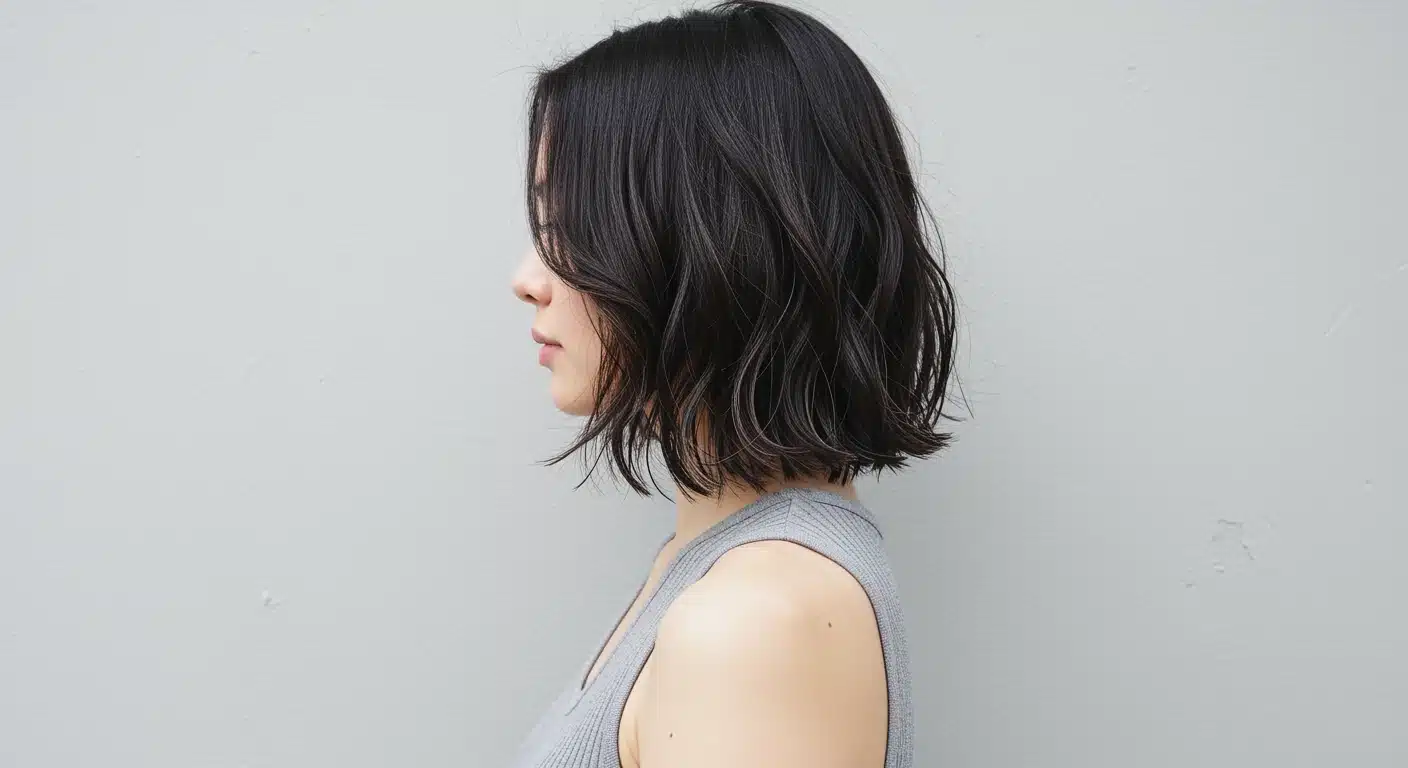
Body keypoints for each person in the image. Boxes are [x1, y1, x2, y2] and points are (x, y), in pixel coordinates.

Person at [508, 2, 956, 766]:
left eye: (564, 229)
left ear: (706, 243)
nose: (526, 280)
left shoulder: (753, 620)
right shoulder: (714, 568)